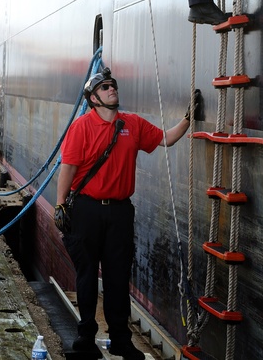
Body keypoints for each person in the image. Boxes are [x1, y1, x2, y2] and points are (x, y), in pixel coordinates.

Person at [55, 68, 194, 360]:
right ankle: (85, 340)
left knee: (118, 277)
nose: (112, 89)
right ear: (93, 98)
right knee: (87, 275)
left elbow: (166, 139)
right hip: (86, 210)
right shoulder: (81, 127)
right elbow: (67, 167)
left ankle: (120, 340)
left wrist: (188, 118)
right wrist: (60, 205)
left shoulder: (132, 124)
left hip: (119, 212)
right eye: (104, 87)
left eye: (113, 86)